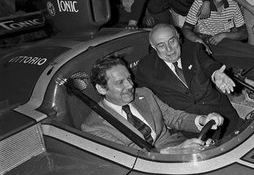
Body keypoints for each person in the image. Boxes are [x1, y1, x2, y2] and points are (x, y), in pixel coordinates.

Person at [82, 56, 224, 153]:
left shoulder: (143, 93)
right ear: (101, 88)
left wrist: (202, 120)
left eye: (129, 78)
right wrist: (172, 153)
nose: (130, 85)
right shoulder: (93, 126)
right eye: (120, 82)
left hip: (175, 144)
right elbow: (130, 157)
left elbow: (172, 116)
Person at [135, 24, 241, 137]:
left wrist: (216, 74)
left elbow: (209, 65)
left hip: (223, 116)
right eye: (161, 45)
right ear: (153, 46)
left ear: (178, 37)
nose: (169, 49)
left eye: (172, 41)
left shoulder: (193, 49)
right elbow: (142, 96)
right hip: (191, 128)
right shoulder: (146, 67)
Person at [183, 0, 247, 46]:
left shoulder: (233, 5)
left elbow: (244, 34)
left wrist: (223, 35)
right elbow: (186, 28)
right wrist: (197, 40)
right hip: (204, 40)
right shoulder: (199, 3)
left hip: (225, 41)